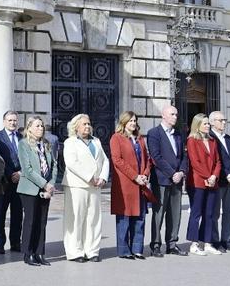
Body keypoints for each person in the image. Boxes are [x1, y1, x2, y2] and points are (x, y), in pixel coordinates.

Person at [61, 113, 109, 263]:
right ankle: (75, 252)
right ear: (76, 127)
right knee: (75, 219)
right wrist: (90, 177)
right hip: (77, 185)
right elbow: (72, 163)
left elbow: (105, 160)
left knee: (93, 219)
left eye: (89, 124)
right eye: (84, 124)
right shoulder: (70, 142)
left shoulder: (96, 141)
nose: (87, 126)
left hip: (95, 186)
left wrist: (103, 177)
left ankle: (92, 250)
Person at [109, 111, 153, 260]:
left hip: (141, 183)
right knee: (125, 218)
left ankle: (137, 248)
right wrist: (135, 176)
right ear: (123, 123)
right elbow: (117, 160)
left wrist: (145, 175)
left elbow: (147, 159)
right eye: (130, 121)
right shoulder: (116, 138)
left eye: (134, 120)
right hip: (126, 184)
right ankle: (123, 250)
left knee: (140, 217)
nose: (133, 123)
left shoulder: (140, 139)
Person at [145, 105, 188, 257]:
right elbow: (156, 157)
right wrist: (172, 173)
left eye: (176, 114)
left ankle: (172, 244)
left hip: (177, 180)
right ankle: (156, 244)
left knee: (175, 214)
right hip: (162, 179)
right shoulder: (154, 133)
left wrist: (182, 172)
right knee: (159, 213)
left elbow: (184, 156)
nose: (175, 117)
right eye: (172, 114)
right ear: (163, 115)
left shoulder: (178, 134)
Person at [17, 115, 57, 266]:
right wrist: (44, 184)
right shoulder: (24, 144)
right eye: (37, 126)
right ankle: (28, 253)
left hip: (46, 188)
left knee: (42, 221)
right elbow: (27, 169)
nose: (41, 128)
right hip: (29, 189)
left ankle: (39, 252)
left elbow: (53, 165)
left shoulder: (47, 144)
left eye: (42, 126)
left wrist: (51, 184)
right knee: (30, 221)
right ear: (29, 128)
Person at [184, 114, 221, 256]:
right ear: (197, 125)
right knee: (196, 212)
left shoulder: (212, 141)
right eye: (205, 123)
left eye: (208, 124)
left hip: (212, 182)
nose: (207, 126)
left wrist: (214, 176)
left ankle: (207, 243)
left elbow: (218, 161)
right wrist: (207, 176)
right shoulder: (192, 140)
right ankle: (194, 244)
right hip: (198, 182)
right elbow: (195, 162)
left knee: (209, 213)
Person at [0, 110, 23, 255]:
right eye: (9, 120)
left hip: (20, 182)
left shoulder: (23, 138)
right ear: (4, 122)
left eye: (14, 120)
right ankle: (0, 243)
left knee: (17, 213)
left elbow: (26, 157)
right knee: (0, 214)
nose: (12, 123)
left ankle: (16, 242)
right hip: (3, 182)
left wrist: (21, 173)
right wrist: (11, 174)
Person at [208, 111, 230, 252]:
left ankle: (225, 239)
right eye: (220, 120)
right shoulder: (210, 137)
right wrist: (226, 175)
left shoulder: (227, 138)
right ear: (212, 122)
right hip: (219, 180)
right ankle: (214, 240)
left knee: (229, 212)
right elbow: (215, 161)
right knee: (215, 213)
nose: (224, 122)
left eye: (224, 120)